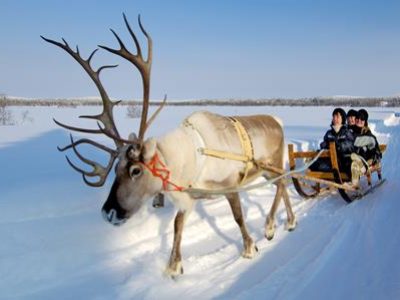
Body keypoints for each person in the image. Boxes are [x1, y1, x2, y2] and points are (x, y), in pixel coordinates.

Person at [310, 108, 354, 174]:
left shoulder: (347, 132)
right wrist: (324, 145)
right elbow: (324, 143)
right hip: (329, 160)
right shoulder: (329, 133)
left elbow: (350, 145)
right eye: (334, 116)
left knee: (347, 165)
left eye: (337, 116)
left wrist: (339, 146)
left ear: (343, 119)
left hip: (342, 161)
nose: (335, 118)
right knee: (313, 164)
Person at [350, 109, 382, 185]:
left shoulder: (367, 133)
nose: (359, 120)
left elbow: (374, 145)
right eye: (357, 118)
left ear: (365, 121)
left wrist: (376, 155)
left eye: (362, 119)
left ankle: (356, 184)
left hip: (365, 159)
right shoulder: (351, 131)